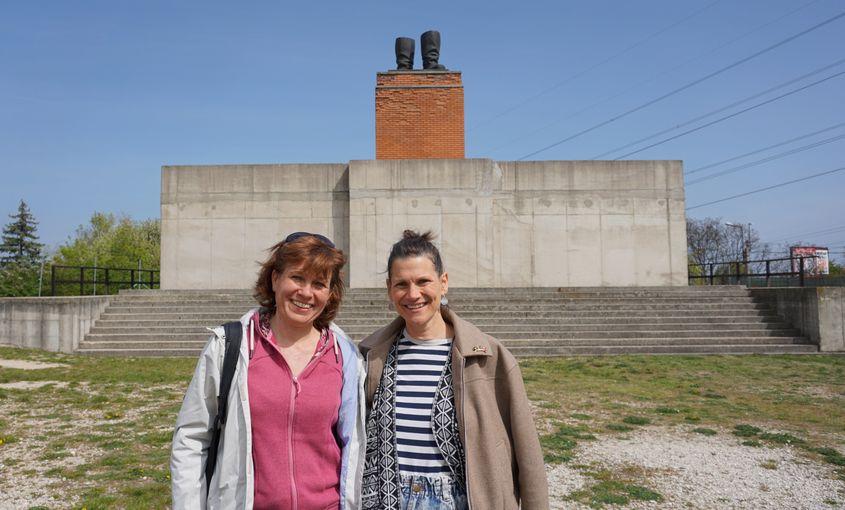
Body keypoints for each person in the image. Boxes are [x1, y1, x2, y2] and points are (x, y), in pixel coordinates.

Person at [170, 232, 366, 510]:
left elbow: (353, 447)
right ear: (275, 279)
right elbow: (192, 437)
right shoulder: (230, 347)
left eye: (319, 283)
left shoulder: (345, 356)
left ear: (330, 293)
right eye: (297, 278)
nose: (306, 293)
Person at [359, 230, 549, 510]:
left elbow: (528, 454)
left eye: (423, 281)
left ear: (443, 282)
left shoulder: (489, 358)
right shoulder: (369, 357)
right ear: (389, 288)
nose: (413, 294)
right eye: (402, 284)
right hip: (385, 501)